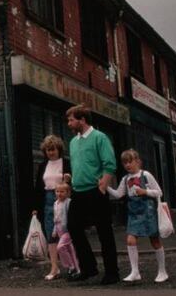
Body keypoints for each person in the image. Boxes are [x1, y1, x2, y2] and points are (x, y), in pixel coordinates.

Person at [65, 104, 120, 285]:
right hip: (78, 192)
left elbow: (109, 163)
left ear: (82, 120)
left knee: (104, 231)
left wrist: (104, 184)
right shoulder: (73, 142)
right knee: (73, 227)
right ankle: (89, 268)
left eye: (71, 120)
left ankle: (112, 272)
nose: (68, 123)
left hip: (95, 191)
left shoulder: (99, 137)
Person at [107, 149, 168, 283]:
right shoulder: (125, 179)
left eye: (130, 161)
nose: (127, 165)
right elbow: (118, 194)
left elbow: (159, 192)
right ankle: (135, 272)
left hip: (148, 212)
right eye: (125, 163)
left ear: (138, 161)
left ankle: (162, 271)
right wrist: (106, 186)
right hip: (134, 213)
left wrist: (144, 191)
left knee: (155, 241)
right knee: (130, 240)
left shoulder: (146, 175)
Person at [31, 134, 71, 280]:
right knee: (50, 234)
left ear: (59, 149)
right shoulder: (43, 165)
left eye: (53, 149)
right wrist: (35, 207)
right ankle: (54, 267)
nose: (51, 152)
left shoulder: (66, 163)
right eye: (48, 150)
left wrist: (68, 180)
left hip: (63, 199)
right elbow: (38, 186)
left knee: (66, 233)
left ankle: (72, 265)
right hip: (47, 200)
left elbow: (71, 183)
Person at [52, 182, 80, 277]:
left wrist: (70, 226)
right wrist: (54, 230)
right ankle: (76, 269)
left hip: (67, 229)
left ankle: (70, 266)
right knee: (69, 249)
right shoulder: (55, 203)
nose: (59, 193)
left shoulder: (68, 202)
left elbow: (69, 215)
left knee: (60, 247)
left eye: (62, 191)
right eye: (57, 191)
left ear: (67, 192)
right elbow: (56, 218)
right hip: (59, 229)